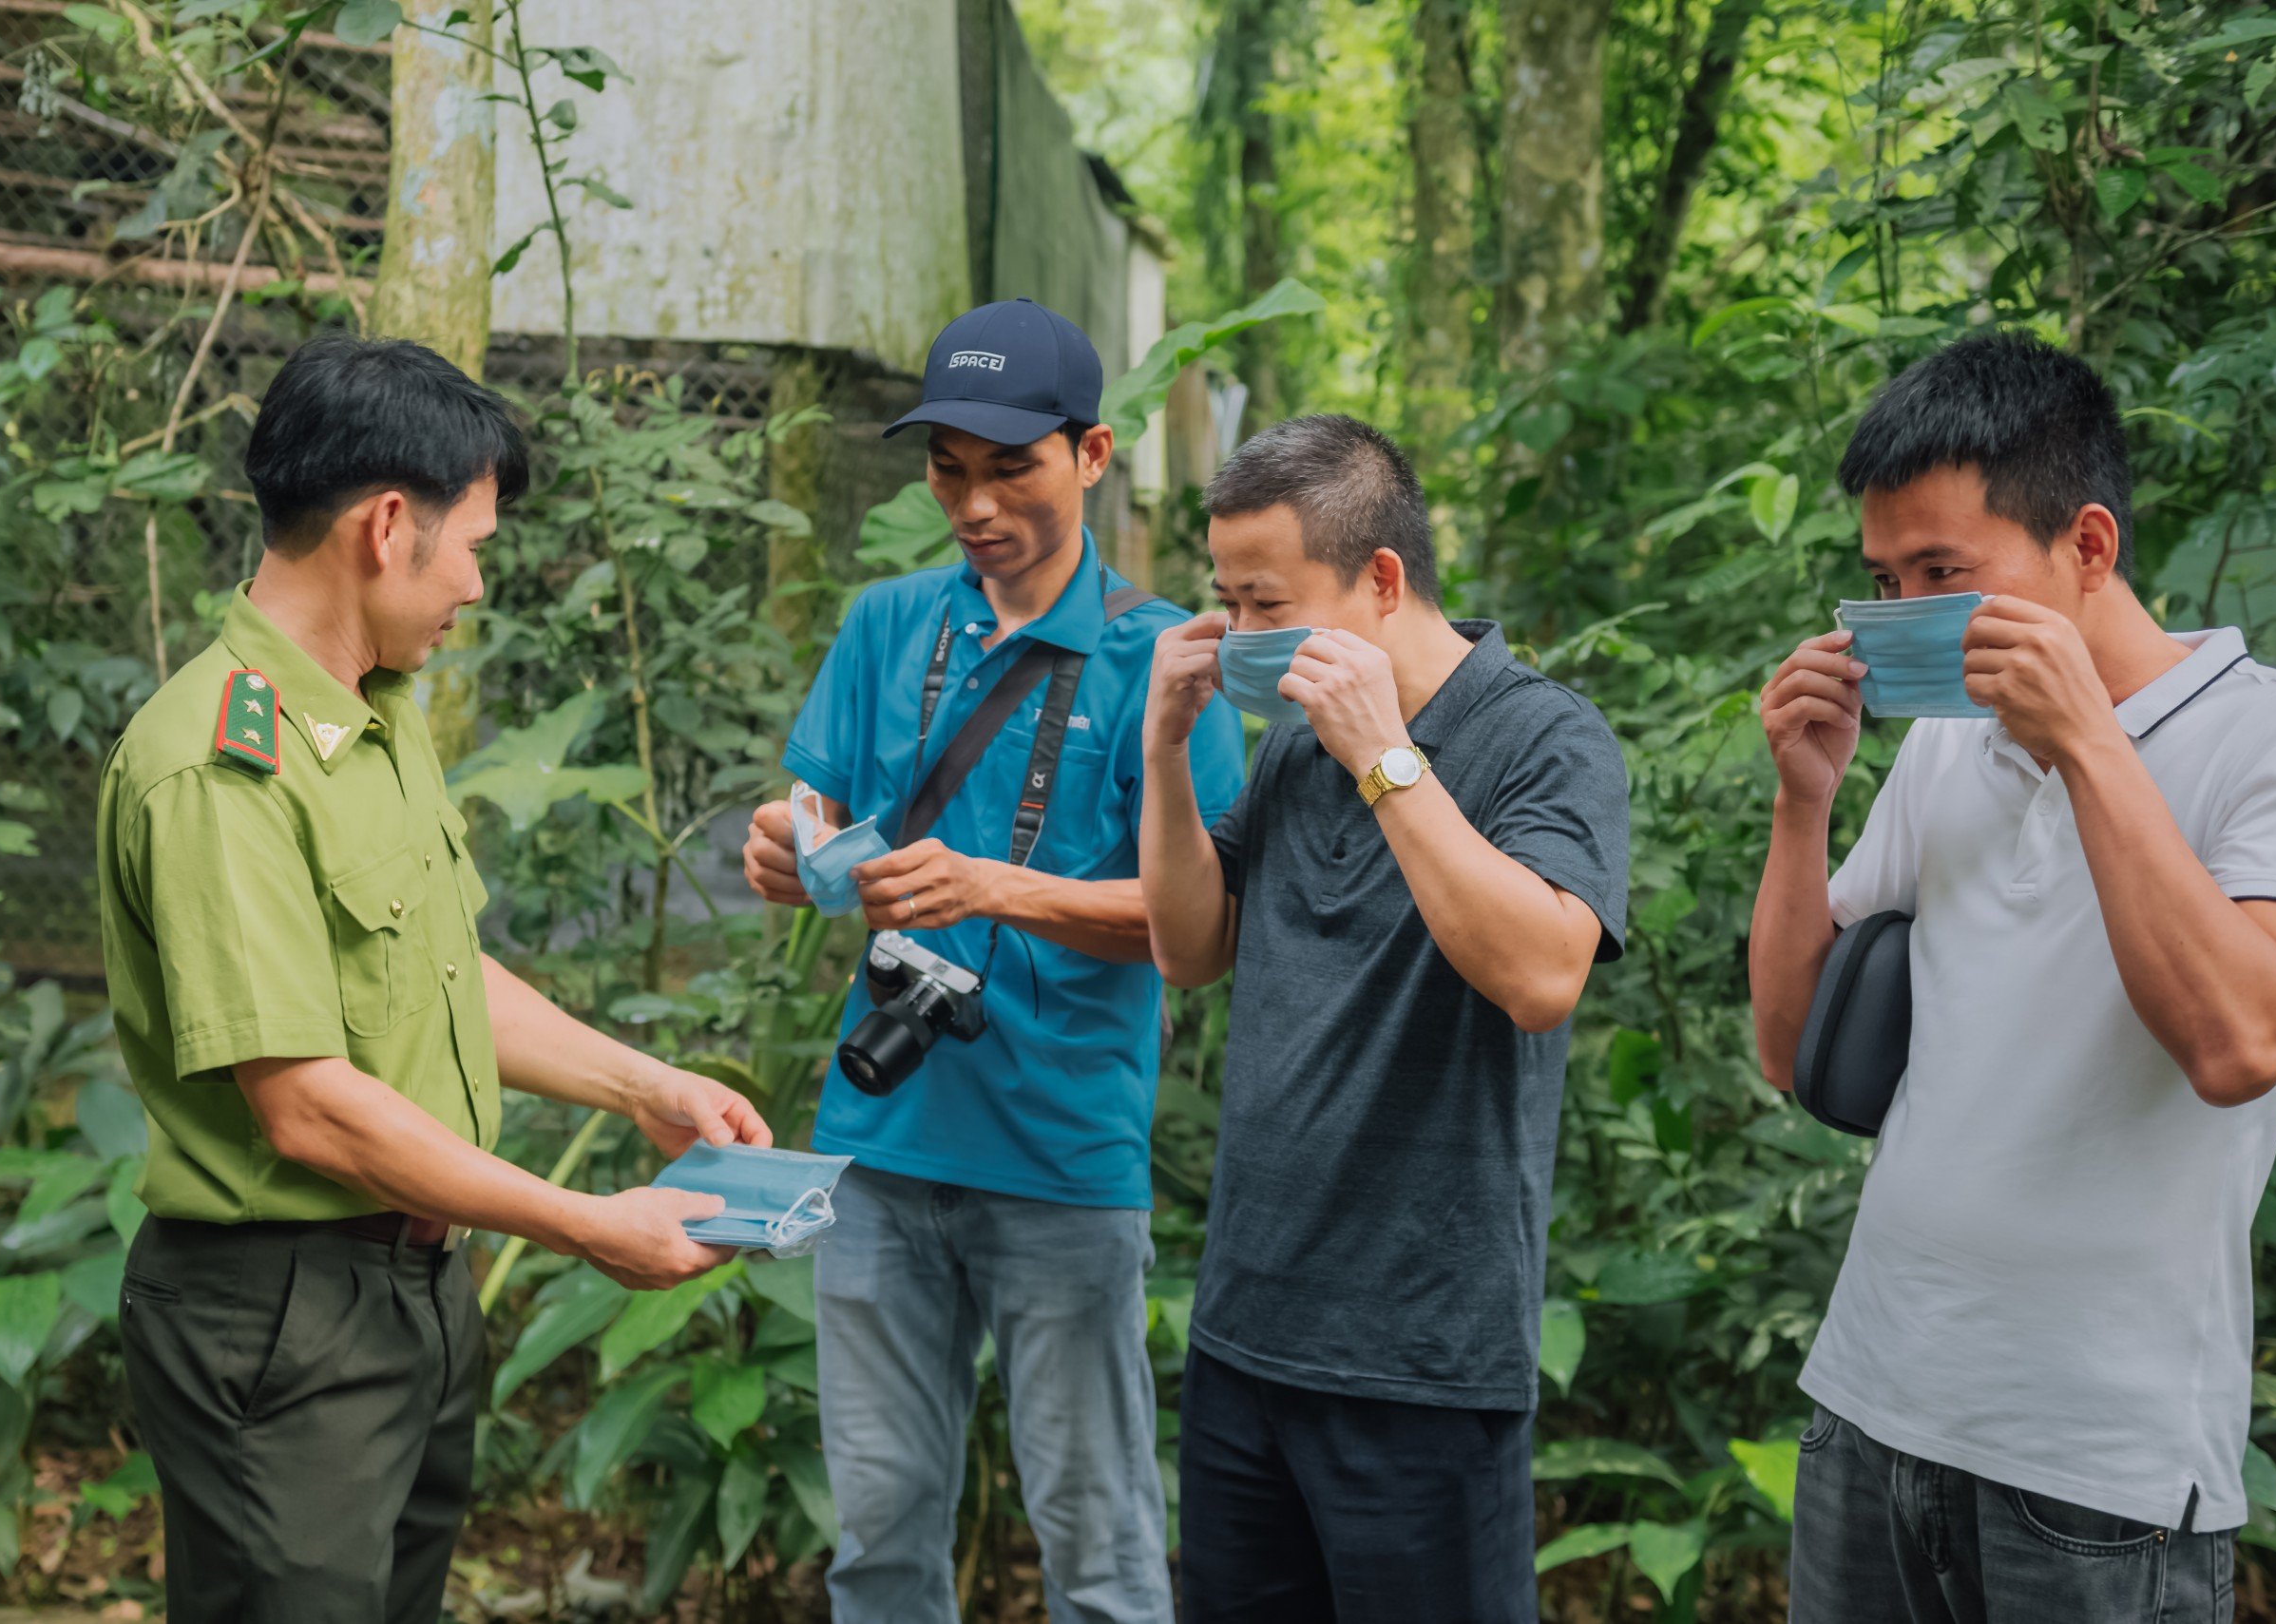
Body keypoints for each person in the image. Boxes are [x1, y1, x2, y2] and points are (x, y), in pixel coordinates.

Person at [97, 334, 768, 1624]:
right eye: (473, 547)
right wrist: (582, 1224)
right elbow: (304, 1103)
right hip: (281, 1314)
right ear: (386, 526)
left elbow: (440, 968)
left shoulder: (370, 715)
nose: (477, 583)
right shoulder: (219, 764)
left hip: (411, 1293)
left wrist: (643, 1086)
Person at [1750, 333, 2276, 1623]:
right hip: (1871, 1403)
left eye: (1946, 572)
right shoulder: (1942, 746)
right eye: (1885, 578)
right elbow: (1799, 1052)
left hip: (2099, 1470)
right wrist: (1803, 808)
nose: (1911, 608)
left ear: (2089, 549)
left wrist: (2090, 743)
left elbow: (2237, 1045)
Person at [739, 297, 1245, 1624]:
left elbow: (1202, 930)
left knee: (1100, 1539)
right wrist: (790, 849)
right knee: (881, 1533)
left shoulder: (1167, 656)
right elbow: (814, 808)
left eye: (1009, 465)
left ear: (1092, 453)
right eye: (947, 467)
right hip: (880, 1146)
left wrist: (994, 888)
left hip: (1063, 1162)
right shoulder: (885, 623)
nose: (974, 502)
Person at [1139, 414, 1631, 1623]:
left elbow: (1541, 974)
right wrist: (1162, 752)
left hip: (1421, 1359)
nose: (1245, 635)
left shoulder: (1542, 735)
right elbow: (1191, 948)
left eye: (1267, 602)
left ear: (1382, 580)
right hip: (1247, 1332)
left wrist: (1387, 756)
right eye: (1227, 603)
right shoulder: (1294, 745)